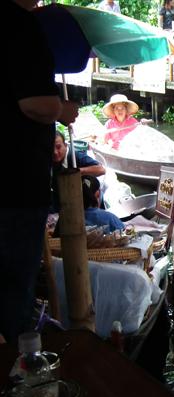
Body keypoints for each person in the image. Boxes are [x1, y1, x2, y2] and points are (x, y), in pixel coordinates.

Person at [2, 0, 79, 343]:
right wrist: (62, 109)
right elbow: (35, 104)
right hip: (15, 189)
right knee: (14, 293)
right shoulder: (19, 25)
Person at [51, 131, 106, 212]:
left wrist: (76, 172)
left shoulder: (77, 156)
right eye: (50, 148)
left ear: (65, 145)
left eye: (58, 147)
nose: (55, 152)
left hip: (86, 204)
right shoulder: (50, 160)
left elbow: (101, 170)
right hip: (64, 201)